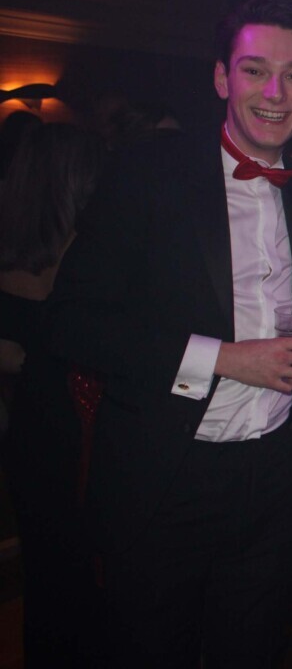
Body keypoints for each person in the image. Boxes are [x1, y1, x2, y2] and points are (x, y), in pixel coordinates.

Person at [47, 0, 292, 665]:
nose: (274, 92)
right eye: (255, 70)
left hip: (272, 479)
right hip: (167, 477)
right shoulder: (151, 171)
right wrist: (224, 358)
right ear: (222, 78)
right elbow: (72, 322)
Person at [0, 122, 104, 665]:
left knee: (52, 585)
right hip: (79, 432)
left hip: (40, 432)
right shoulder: (91, 261)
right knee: (86, 585)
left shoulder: (16, 257)